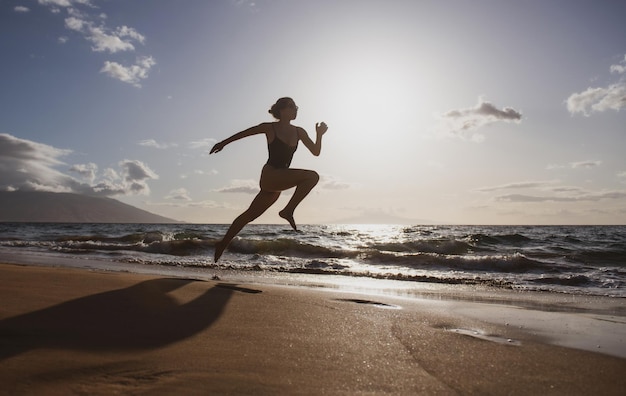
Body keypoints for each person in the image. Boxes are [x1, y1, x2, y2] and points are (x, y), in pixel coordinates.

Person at [210, 97, 328, 262]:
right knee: (312, 176)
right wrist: (223, 143)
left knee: (248, 216)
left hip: (277, 183)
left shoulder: (299, 131)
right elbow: (245, 133)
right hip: (270, 175)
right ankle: (288, 211)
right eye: (292, 107)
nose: (296, 110)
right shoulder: (270, 128)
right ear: (282, 110)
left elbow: (315, 151)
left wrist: (319, 135)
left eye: (296, 107)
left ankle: (222, 244)